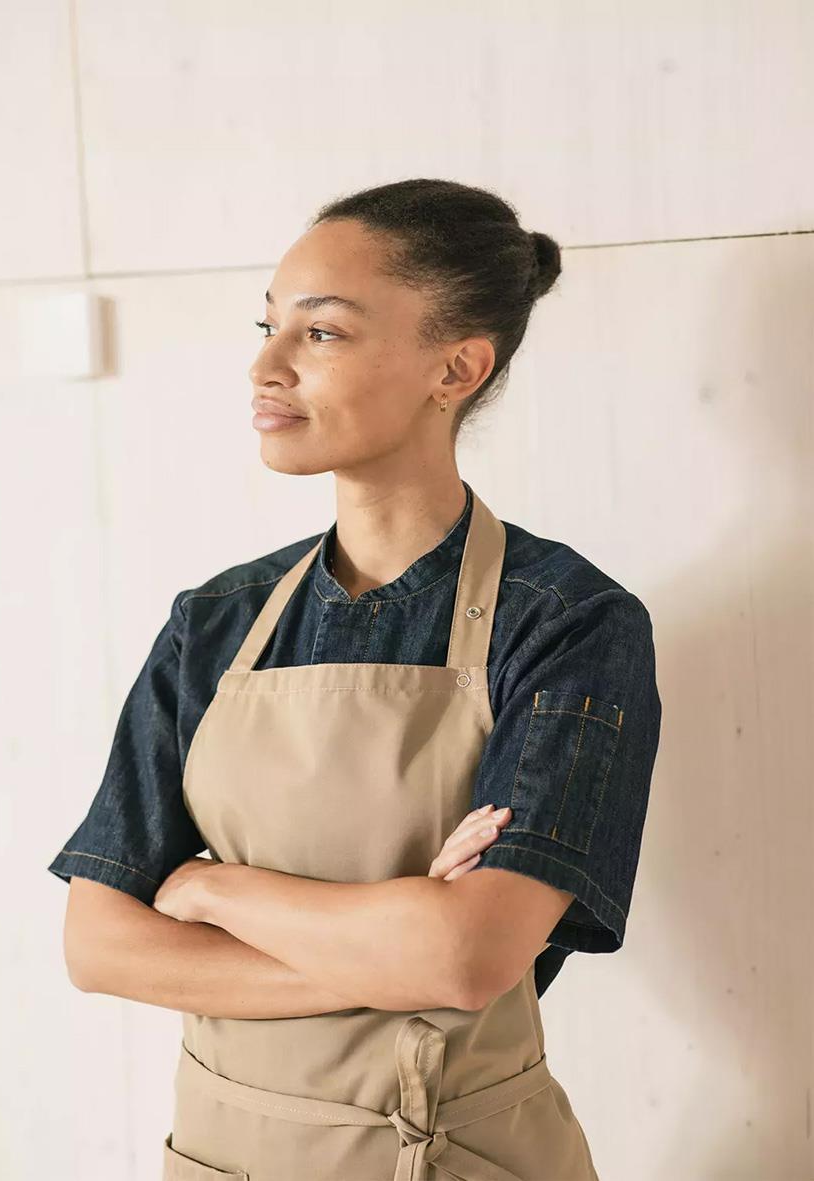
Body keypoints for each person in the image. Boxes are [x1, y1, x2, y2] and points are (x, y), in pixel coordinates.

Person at [48, 178, 662, 1181]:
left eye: (322, 332)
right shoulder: (216, 621)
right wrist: (393, 944)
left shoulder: (567, 622)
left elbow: (469, 956)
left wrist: (209, 886)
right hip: (222, 1157)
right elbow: (101, 945)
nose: (267, 365)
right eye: (269, 327)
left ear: (456, 367)